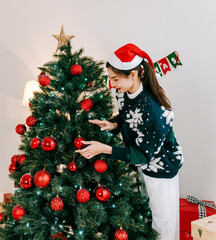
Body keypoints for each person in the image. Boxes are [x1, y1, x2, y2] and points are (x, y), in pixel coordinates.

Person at [75, 43, 184, 240]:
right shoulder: (124, 92)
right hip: (142, 164)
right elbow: (128, 115)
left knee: (163, 224)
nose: (112, 83)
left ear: (133, 74)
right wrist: (113, 124)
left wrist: (105, 149)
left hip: (161, 170)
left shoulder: (153, 110)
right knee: (147, 219)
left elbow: (141, 154)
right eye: (110, 78)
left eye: (115, 79)